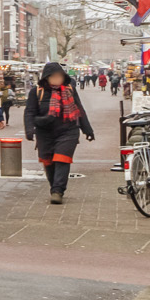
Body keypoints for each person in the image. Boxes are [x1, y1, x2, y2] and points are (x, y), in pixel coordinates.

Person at [23, 62, 95, 203]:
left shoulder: (70, 90)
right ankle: (54, 186)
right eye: (54, 77)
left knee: (62, 159)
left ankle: (58, 191)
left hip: (68, 131)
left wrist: (87, 130)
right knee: (48, 162)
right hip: (45, 132)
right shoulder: (37, 92)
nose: (57, 79)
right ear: (46, 78)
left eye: (59, 76)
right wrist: (30, 128)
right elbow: (30, 112)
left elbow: (79, 110)